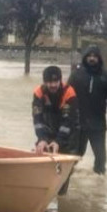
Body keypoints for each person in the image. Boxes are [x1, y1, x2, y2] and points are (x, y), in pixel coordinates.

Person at [68, 45, 107, 175]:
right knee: (74, 156)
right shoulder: (76, 75)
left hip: (98, 125)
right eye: (89, 56)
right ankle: (67, 179)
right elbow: (67, 96)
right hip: (79, 123)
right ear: (85, 58)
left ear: (99, 58)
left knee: (101, 159)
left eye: (95, 56)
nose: (92, 58)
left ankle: (99, 186)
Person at [32, 65, 80, 195]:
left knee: (63, 178)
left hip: (69, 135)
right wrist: (42, 139)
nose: (52, 85)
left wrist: (58, 141)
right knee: (42, 163)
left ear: (60, 80)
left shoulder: (69, 93)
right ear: (44, 82)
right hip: (48, 131)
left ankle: (61, 194)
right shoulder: (39, 93)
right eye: (49, 82)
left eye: (55, 81)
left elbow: (68, 122)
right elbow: (37, 119)